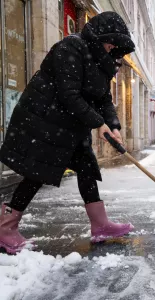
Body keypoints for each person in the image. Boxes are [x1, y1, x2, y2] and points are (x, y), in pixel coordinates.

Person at [0, 12, 135, 254]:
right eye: (110, 41)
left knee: (86, 169)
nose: (112, 47)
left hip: (72, 126)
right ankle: (4, 227)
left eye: (116, 44)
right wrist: (98, 124)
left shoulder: (102, 63)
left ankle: (100, 225)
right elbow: (68, 93)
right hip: (45, 122)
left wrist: (113, 125)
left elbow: (104, 100)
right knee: (37, 173)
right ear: (100, 36)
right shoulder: (71, 47)